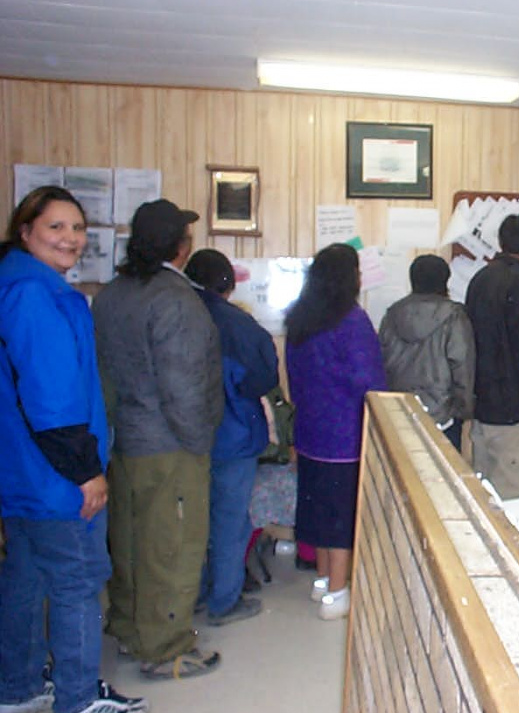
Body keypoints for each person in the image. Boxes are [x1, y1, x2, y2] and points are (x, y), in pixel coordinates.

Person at [0, 186, 148, 713]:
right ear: (26, 230)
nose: (71, 239)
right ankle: (79, 702)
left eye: (78, 228)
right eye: (56, 227)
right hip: (56, 476)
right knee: (78, 582)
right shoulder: (37, 297)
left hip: (20, 471)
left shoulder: (16, 285)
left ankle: (15, 687)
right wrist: (87, 472)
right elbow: (53, 398)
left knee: (25, 579)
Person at [92, 199, 224, 679]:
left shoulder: (111, 293)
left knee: (129, 541)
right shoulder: (175, 299)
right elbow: (183, 385)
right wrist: (198, 443)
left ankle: (129, 629)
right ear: (181, 246)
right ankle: (166, 647)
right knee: (172, 545)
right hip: (170, 444)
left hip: (124, 441)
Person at [285, 243, 386, 620]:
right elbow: (368, 380)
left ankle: (324, 582)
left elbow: (295, 379)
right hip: (346, 436)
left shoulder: (300, 318)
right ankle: (339, 594)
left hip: (311, 431)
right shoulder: (352, 320)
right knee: (342, 517)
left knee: (319, 514)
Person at [184, 248, 279, 625]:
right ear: (227, 283)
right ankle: (224, 601)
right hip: (234, 433)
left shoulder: (177, 312)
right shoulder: (240, 325)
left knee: (189, 521)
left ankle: (193, 594)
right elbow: (264, 378)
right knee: (229, 520)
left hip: (182, 437)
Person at [465, 214, 519, 500]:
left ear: (501, 242)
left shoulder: (479, 281)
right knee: (517, 508)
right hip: (515, 412)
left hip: (483, 407)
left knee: (482, 500)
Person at [379, 254, 475, 450]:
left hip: (400, 414)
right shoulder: (454, 316)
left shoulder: (392, 314)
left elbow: (382, 362)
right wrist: (464, 410)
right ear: (445, 281)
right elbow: (462, 366)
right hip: (443, 417)